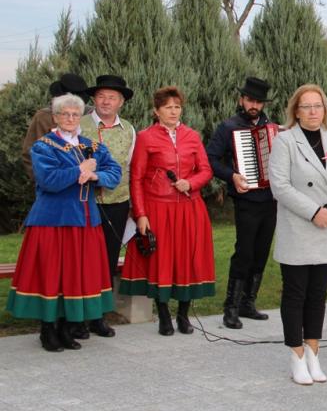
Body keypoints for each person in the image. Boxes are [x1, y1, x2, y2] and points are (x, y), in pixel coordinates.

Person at [6, 93, 121, 352]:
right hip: (53, 222)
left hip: (85, 222)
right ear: (55, 117)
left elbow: (114, 173)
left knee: (75, 276)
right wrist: (80, 170)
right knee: (52, 275)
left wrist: (95, 174)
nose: (70, 118)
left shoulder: (91, 146)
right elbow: (48, 180)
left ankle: (67, 328)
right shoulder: (44, 146)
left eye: (74, 114)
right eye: (64, 114)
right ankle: (48, 329)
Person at [268, 84, 327, 385]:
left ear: (325, 109)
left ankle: (313, 353)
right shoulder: (285, 141)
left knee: (318, 295)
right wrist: (313, 211)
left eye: (318, 105)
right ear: (296, 111)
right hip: (298, 226)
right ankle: (296, 356)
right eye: (306, 106)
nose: (313, 111)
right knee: (296, 294)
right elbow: (279, 186)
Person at [119, 86, 215, 336]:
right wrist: (140, 214)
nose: (173, 111)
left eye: (177, 107)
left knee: (187, 259)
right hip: (157, 207)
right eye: (168, 107)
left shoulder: (192, 136)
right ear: (156, 111)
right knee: (161, 260)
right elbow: (136, 178)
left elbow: (205, 170)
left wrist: (191, 183)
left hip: (189, 208)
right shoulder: (146, 137)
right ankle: (163, 314)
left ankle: (183, 315)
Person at [206, 77, 277, 329]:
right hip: (246, 198)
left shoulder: (273, 127)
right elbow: (211, 159)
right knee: (244, 252)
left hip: (271, 199)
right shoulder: (229, 127)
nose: (254, 105)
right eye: (250, 100)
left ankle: (248, 303)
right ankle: (231, 308)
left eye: (258, 102)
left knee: (261, 252)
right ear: (241, 100)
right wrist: (232, 175)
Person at [79, 74, 136, 338]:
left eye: (112, 97)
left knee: (108, 261)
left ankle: (99, 316)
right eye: (101, 96)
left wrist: (134, 205)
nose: (106, 101)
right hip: (84, 204)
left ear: (121, 102)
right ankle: (78, 316)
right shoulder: (78, 125)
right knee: (82, 260)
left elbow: (131, 168)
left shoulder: (129, 129)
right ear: (93, 99)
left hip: (117, 203)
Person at [22, 73, 90, 180]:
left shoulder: (91, 115)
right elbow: (30, 153)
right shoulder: (43, 117)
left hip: (86, 186)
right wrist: (43, 182)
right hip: (53, 184)